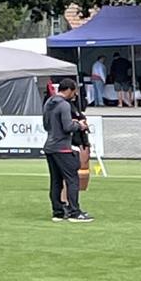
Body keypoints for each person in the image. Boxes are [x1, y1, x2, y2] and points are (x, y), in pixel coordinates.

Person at [43, 78, 93, 223]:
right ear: (70, 90)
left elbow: (46, 125)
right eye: (74, 92)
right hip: (62, 148)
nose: (75, 95)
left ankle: (58, 211)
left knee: (56, 181)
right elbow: (67, 127)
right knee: (72, 180)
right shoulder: (64, 105)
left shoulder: (48, 103)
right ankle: (74, 212)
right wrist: (79, 125)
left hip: (50, 146)